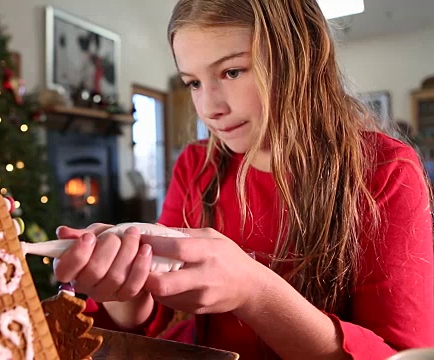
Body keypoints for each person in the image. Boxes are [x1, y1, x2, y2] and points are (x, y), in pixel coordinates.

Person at [53, 0, 434, 358]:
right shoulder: (196, 165)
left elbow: (400, 353)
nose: (210, 108)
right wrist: (126, 290)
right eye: (194, 83)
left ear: (300, 59)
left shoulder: (383, 170)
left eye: (232, 71)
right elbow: (154, 318)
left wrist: (254, 291)